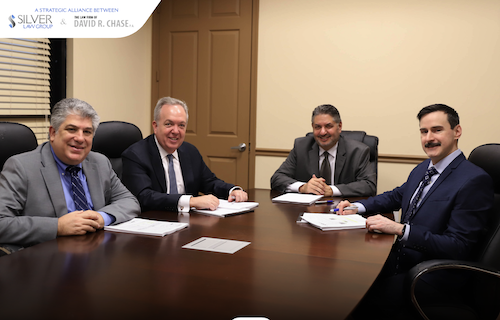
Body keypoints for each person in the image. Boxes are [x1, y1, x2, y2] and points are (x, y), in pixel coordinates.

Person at [337, 104, 494, 318]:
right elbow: (397, 196)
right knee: (346, 279)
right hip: (402, 260)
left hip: (432, 274)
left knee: (359, 301)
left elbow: (458, 246)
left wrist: (401, 229)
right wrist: (358, 207)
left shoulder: (474, 180)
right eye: (424, 131)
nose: (429, 138)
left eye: (437, 130)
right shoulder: (424, 167)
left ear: (457, 131)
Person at [0, 98, 140, 252]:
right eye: (72, 129)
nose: (80, 138)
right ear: (53, 133)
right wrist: (58, 226)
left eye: (87, 132)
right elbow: (2, 223)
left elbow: (129, 201)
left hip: (97, 253)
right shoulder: (22, 167)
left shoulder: (99, 162)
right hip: (46, 258)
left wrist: (102, 217)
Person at [122, 97, 248, 212]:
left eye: (181, 125)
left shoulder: (189, 151)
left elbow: (209, 182)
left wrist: (232, 190)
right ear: (155, 126)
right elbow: (144, 197)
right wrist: (190, 201)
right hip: (152, 222)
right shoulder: (135, 155)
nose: (176, 131)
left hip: (188, 223)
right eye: (169, 124)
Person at [270, 104, 376, 197]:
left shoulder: (358, 151)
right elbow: (277, 178)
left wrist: (331, 190)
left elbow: (369, 185)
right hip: (307, 211)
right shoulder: (301, 147)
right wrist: (302, 187)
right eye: (317, 127)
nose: (322, 132)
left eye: (328, 126)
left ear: (339, 126)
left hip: (342, 212)